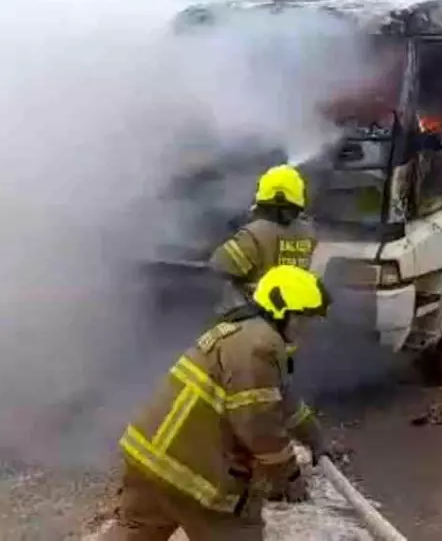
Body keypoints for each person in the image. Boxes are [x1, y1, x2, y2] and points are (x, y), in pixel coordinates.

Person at [111, 265, 338, 541]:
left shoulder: (242, 333)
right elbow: (258, 423)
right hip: (193, 475)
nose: (307, 330)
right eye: (305, 319)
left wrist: (315, 438)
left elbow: (283, 402)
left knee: (134, 532)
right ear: (282, 310)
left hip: (149, 458)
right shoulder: (260, 345)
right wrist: (287, 477)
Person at [209, 164, 317, 320]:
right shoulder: (308, 232)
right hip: (291, 315)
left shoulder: (254, 234)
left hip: (252, 316)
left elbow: (219, 265)